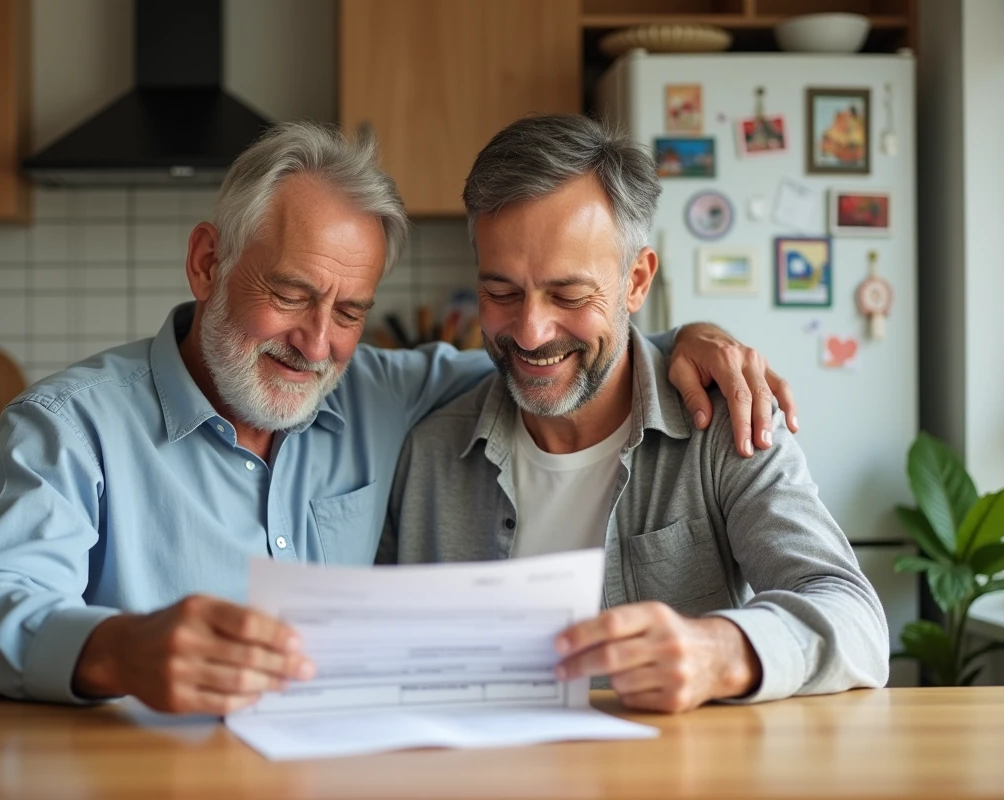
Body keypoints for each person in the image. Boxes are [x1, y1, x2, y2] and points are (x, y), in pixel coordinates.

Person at [0, 121, 798, 715]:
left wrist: (689, 339)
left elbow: (550, 359)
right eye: (291, 294)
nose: (315, 344)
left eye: (350, 312)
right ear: (206, 261)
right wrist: (117, 650)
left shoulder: (382, 390)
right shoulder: (69, 427)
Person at [378, 115, 888, 713]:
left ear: (636, 280)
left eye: (569, 295)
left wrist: (722, 651)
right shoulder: (429, 453)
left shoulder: (726, 424)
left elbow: (855, 619)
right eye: (501, 293)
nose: (530, 331)